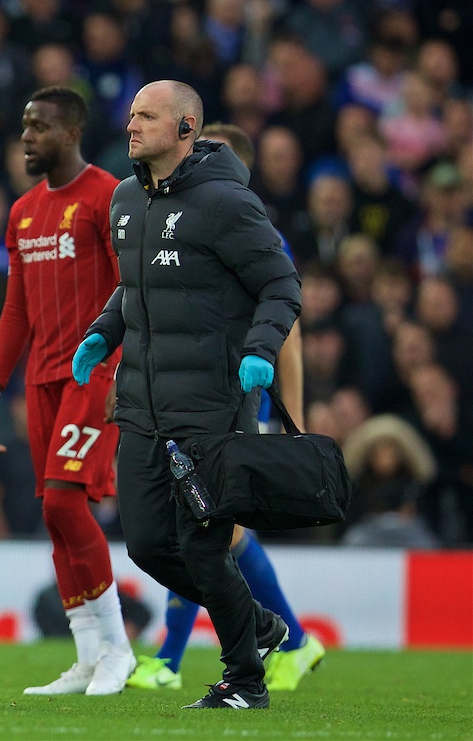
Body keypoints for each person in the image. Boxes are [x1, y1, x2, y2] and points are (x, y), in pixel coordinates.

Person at [73, 80, 301, 710]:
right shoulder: (125, 200)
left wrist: (259, 349)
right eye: (130, 115)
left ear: (186, 128)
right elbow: (136, 287)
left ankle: (244, 680)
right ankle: (259, 625)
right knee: (147, 545)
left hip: (209, 408)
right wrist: (102, 334)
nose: (131, 125)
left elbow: (282, 284)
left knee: (203, 546)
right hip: (142, 406)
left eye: (146, 116)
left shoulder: (227, 204)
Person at [127, 122, 326, 693]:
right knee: (207, 526)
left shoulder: (246, 224)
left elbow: (286, 328)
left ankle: (173, 657)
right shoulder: (174, 216)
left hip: (235, 398)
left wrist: (290, 416)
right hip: (183, 397)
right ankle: (287, 639)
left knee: (207, 525)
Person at [0, 86, 136, 697]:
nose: (26, 137)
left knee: (66, 503)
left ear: (70, 133)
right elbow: (16, 309)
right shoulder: (21, 213)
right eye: (24, 126)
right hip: (39, 381)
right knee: (52, 513)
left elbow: (131, 289)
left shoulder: (107, 196)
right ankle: (88, 655)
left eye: (38, 127)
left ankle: (118, 648)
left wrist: (122, 368)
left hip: (92, 372)